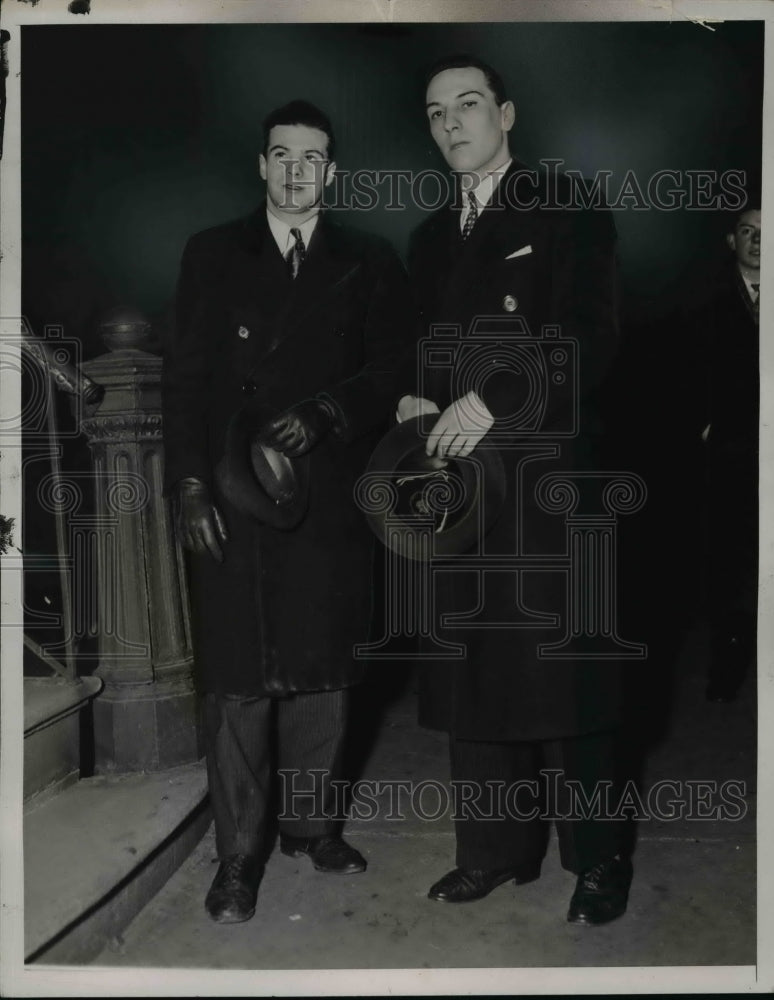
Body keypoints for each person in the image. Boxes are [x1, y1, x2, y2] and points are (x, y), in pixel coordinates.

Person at [162, 100, 414, 923]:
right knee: (237, 679)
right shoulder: (211, 252)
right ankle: (239, 857)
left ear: (332, 171)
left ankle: (312, 827)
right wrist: (190, 485)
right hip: (233, 490)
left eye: (312, 157)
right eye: (282, 155)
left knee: (324, 674)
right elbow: (185, 379)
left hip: (327, 493)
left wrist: (331, 412)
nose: (296, 170)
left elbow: (395, 367)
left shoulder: (368, 258)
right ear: (261, 165)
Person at [399, 54, 632, 924]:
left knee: (568, 680)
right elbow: (423, 352)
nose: (451, 123)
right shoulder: (429, 238)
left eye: (468, 105)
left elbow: (591, 339)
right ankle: (493, 852)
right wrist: (416, 397)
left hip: (549, 483)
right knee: (473, 671)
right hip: (462, 490)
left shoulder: (567, 207)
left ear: (506, 114)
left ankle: (599, 859)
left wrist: (492, 399)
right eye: (436, 113)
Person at [701, 206, 760, 702]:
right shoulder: (708, 302)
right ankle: (728, 661)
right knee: (732, 557)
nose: (758, 241)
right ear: (731, 241)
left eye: (767, 232)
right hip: (733, 449)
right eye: (748, 231)